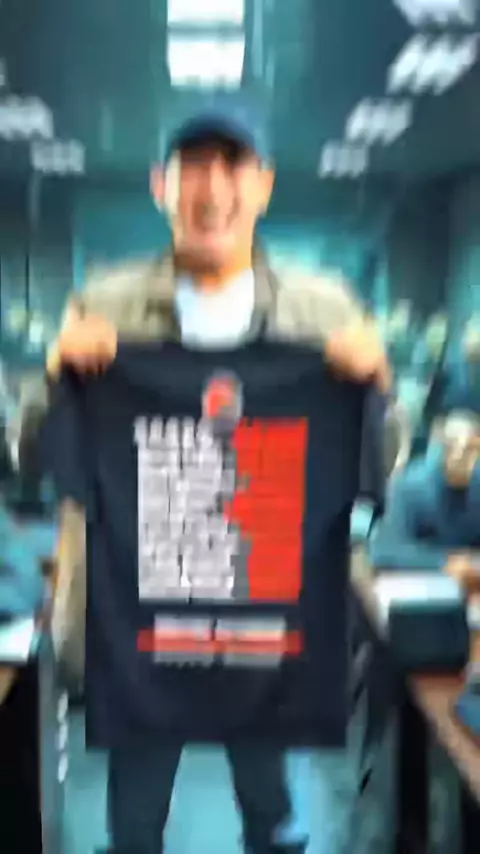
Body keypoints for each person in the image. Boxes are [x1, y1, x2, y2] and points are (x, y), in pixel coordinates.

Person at [22, 95, 390, 854]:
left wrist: (377, 386)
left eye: (233, 165)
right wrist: (57, 370)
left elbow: (377, 465)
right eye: (193, 166)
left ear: (264, 186)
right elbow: (37, 455)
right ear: (162, 186)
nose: (213, 187)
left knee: (273, 822)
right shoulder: (106, 305)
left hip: (271, 627)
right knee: (133, 828)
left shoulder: (324, 311)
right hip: (142, 626)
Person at [369, 409, 480, 593]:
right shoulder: (409, 485)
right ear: (440, 447)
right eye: (452, 446)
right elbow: (384, 552)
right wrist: (444, 562)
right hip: (421, 588)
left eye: (470, 449)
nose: (460, 456)